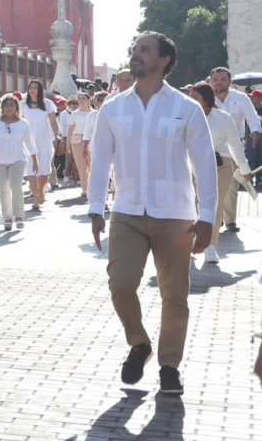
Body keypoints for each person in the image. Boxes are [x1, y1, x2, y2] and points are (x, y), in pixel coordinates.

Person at [88, 32, 216, 396]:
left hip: (175, 215)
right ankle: (139, 343)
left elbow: (204, 165)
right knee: (121, 284)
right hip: (126, 210)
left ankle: (169, 366)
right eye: (134, 50)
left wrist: (207, 216)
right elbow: (101, 163)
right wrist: (96, 208)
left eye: (144, 50)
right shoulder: (112, 108)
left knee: (174, 295)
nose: (135, 55)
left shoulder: (186, 108)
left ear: (164, 61)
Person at [188, 83, 250, 263]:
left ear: (207, 100)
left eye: (196, 98)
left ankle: (209, 245)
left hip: (221, 167)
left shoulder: (223, 118)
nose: (191, 102)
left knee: (214, 206)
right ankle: (190, 241)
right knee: (191, 206)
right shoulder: (186, 117)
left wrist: (245, 170)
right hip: (192, 166)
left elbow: (235, 145)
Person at [209, 67, 260, 234]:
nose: (218, 83)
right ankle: (217, 216)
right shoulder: (204, 98)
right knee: (209, 185)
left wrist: (255, 132)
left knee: (231, 185)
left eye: (222, 79)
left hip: (232, 149)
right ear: (211, 81)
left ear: (230, 82)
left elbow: (252, 118)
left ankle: (230, 221)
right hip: (208, 149)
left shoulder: (241, 98)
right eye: (215, 79)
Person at [0, 97, 38, 231]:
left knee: (15, 185)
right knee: (4, 189)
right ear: (2, 107)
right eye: (6, 105)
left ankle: (19, 216)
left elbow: (30, 143)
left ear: (17, 108)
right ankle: (7, 218)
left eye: (12, 105)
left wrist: (35, 160)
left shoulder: (23, 124)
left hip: (18, 159)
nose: (9, 108)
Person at [21, 80, 59, 210]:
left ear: (40, 89)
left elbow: (53, 122)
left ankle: (40, 189)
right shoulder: (23, 105)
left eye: (35, 87)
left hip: (45, 139)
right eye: (30, 87)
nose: (32, 90)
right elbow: (18, 121)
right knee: (30, 169)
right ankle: (36, 197)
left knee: (44, 169)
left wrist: (56, 137)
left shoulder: (48, 104)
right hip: (28, 140)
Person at [67, 92, 93, 197]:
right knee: (81, 165)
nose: (81, 101)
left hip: (91, 139)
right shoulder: (75, 114)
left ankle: (92, 186)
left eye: (83, 98)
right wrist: (68, 143)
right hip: (77, 140)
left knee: (91, 164)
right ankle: (84, 187)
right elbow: (70, 129)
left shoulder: (94, 113)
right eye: (80, 99)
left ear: (88, 100)